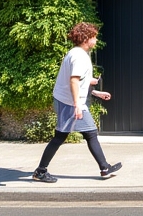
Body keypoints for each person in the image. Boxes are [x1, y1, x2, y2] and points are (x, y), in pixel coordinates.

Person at [32, 22, 122, 183]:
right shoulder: (79, 56)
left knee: (82, 134)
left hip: (68, 101)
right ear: (86, 38)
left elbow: (79, 82)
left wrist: (96, 92)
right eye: (94, 37)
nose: (95, 40)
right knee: (73, 135)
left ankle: (104, 168)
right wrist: (77, 105)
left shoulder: (76, 54)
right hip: (70, 103)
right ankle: (41, 171)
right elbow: (73, 81)